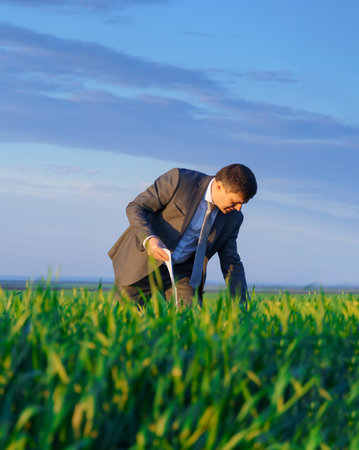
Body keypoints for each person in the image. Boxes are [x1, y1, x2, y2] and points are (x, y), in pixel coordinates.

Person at [108, 164, 257, 306]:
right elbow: (137, 207)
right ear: (219, 186)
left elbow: (231, 262)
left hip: (184, 273)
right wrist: (150, 239)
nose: (238, 208)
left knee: (190, 324)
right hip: (143, 263)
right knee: (124, 321)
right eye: (234, 202)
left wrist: (242, 306)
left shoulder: (234, 218)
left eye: (243, 203)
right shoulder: (180, 180)